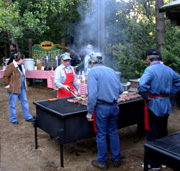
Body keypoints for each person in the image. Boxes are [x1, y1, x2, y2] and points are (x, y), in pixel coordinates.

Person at [138, 49, 180, 170]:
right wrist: (171, 92)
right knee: (163, 131)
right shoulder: (168, 69)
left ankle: (154, 163)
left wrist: (146, 97)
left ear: (148, 58)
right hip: (166, 104)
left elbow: (142, 85)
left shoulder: (150, 70)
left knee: (153, 133)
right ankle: (163, 160)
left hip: (155, 104)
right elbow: (179, 80)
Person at [86, 52, 124, 170]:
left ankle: (102, 162)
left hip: (102, 108)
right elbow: (121, 90)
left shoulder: (92, 72)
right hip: (114, 106)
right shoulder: (111, 70)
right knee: (113, 132)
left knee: (101, 135)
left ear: (92, 62)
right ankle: (116, 159)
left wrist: (89, 111)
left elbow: (92, 95)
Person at [3, 52, 33, 125]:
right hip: (13, 89)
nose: (24, 61)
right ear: (20, 59)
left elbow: (22, 77)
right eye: (23, 59)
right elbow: (5, 76)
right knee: (12, 104)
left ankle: (28, 117)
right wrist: (8, 86)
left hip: (21, 88)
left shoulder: (21, 66)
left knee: (25, 102)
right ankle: (13, 119)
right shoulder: (11, 66)